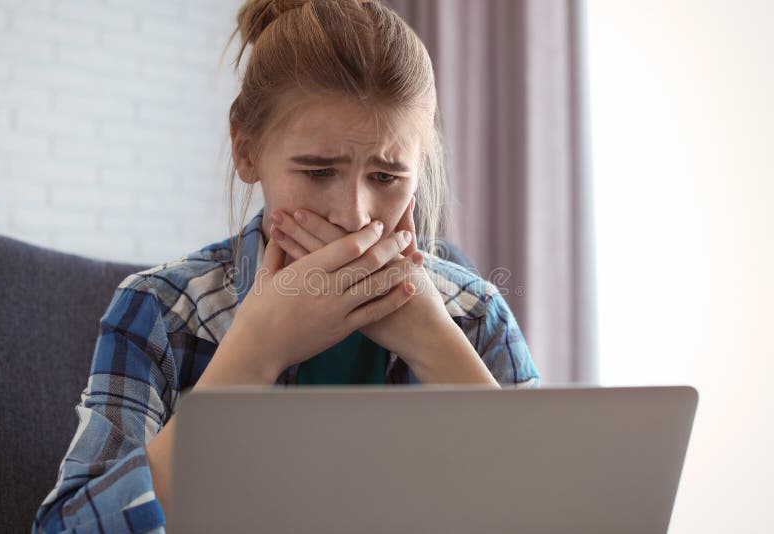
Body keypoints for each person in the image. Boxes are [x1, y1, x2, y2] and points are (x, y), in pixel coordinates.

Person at [32, 0, 540, 531]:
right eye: (319, 172)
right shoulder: (159, 311)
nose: (354, 215)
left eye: (387, 178)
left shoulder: (475, 315)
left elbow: (558, 507)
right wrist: (256, 351)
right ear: (246, 150)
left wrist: (437, 343)